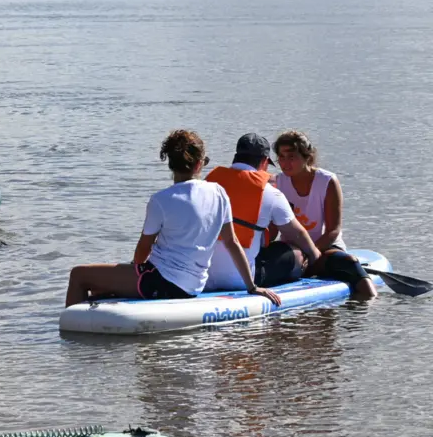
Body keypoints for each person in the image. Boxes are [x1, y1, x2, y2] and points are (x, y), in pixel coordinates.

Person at [64, 130, 283, 307]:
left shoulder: (161, 200)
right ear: (199, 164)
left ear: (171, 165)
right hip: (195, 284)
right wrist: (252, 287)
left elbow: (142, 252)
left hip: (163, 281)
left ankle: (71, 341)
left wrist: (134, 272)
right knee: (104, 286)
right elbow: (232, 242)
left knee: (79, 275)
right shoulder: (218, 192)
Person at [203, 133, 322, 292]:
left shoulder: (207, 183)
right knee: (297, 253)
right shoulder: (269, 193)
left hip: (204, 277)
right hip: (243, 280)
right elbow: (298, 234)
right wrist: (316, 257)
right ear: (264, 162)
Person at [273, 130, 377, 297]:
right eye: (281, 157)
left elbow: (333, 230)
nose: (285, 163)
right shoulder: (277, 182)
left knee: (348, 263)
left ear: (307, 156)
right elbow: (272, 228)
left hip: (325, 248)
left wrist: (311, 253)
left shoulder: (327, 181)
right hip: (293, 251)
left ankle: (369, 306)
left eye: (291, 157)